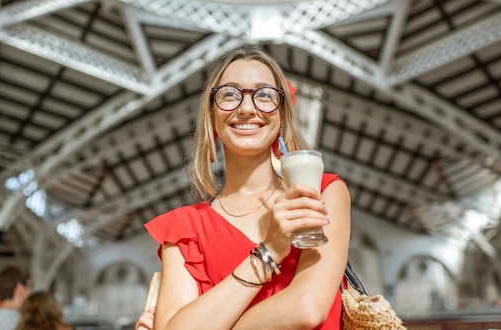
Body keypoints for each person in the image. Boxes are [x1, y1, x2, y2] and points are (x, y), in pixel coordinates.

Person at [136, 45, 351, 329]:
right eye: (229, 94)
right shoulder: (184, 229)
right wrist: (271, 250)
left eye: (264, 95)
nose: (247, 108)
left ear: (282, 114)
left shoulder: (320, 193)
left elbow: (306, 308)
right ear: (211, 117)